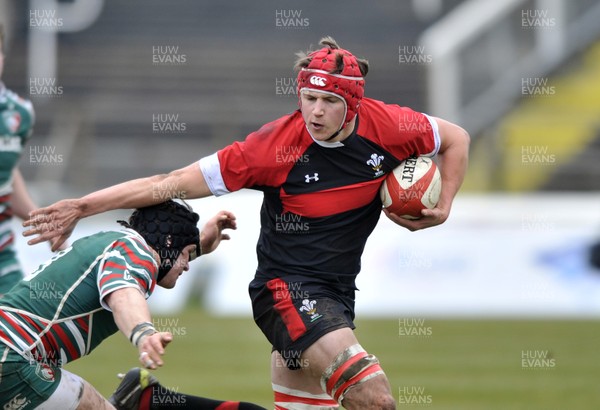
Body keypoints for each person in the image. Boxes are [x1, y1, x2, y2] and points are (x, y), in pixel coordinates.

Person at [24, 37, 470, 409]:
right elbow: (170, 183)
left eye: (329, 101)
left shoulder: (392, 126)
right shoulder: (272, 147)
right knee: (374, 396)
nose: (314, 112)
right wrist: (83, 206)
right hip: (287, 290)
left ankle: (153, 403)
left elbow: (455, 138)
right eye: (308, 98)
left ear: (353, 103)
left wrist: (444, 203)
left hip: (336, 293)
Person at [0, 199, 264, 409]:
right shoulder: (137, 252)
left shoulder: (113, 242)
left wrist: (200, 247)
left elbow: (153, 269)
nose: (186, 265)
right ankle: (137, 398)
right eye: (186, 255)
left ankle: (135, 398)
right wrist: (143, 332)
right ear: (169, 244)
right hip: (13, 356)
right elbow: (123, 292)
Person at [0, 23, 65, 296]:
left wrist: (41, 220)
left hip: (3, 258)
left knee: (21, 334)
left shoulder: (19, 113)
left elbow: (7, 175)